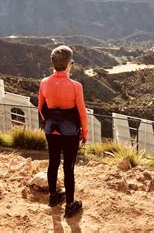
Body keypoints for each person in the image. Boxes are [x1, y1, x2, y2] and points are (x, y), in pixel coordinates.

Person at [38, 45, 88, 217]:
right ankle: (70, 205)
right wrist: (85, 132)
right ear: (68, 64)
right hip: (70, 133)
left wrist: (52, 123)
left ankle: (53, 197)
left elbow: (40, 108)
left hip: (51, 130)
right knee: (69, 167)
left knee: (53, 162)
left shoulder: (44, 83)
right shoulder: (76, 86)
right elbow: (82, 112)